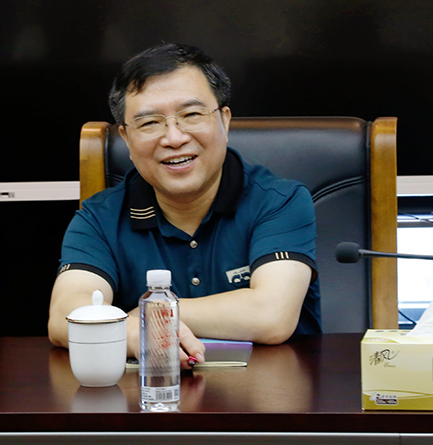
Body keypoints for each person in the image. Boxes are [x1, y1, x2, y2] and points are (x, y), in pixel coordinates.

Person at [48, 43, 321, 368]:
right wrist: (130, 333)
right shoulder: (99, 218)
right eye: (149, 123)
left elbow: (271, 315)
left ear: (224, 121)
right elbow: (64, 316)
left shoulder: (279, 201)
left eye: (191, 115)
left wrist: (146, 316)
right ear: (127, 139)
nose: (174, 138)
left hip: (271, 392)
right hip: (149, 394)